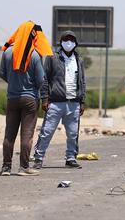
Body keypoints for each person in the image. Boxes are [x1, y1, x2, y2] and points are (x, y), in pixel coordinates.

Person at [0, 21, 53, 176]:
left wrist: (14, 84)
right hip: (29, 100)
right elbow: (41, 80)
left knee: (9, 134)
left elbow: (2, 74)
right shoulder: (35, 54)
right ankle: (23, 167)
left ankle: (6, 167)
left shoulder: (8, 51)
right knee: (27, 135)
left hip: (12, 98)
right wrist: (42, 97)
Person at [33, 31, 86, 169]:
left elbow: (82, 81)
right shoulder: (52, 58)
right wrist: (44, 98)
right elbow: (44, 79)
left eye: (71, 40)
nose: (68, 42)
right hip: (55, 103)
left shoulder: (78, 60)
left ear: (75, 43)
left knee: (73, 134)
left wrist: (82, 101)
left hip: (74, 103)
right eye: (65, 39)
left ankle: (71, 158)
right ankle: (38, 158)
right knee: (47, 132)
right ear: (61, 42)